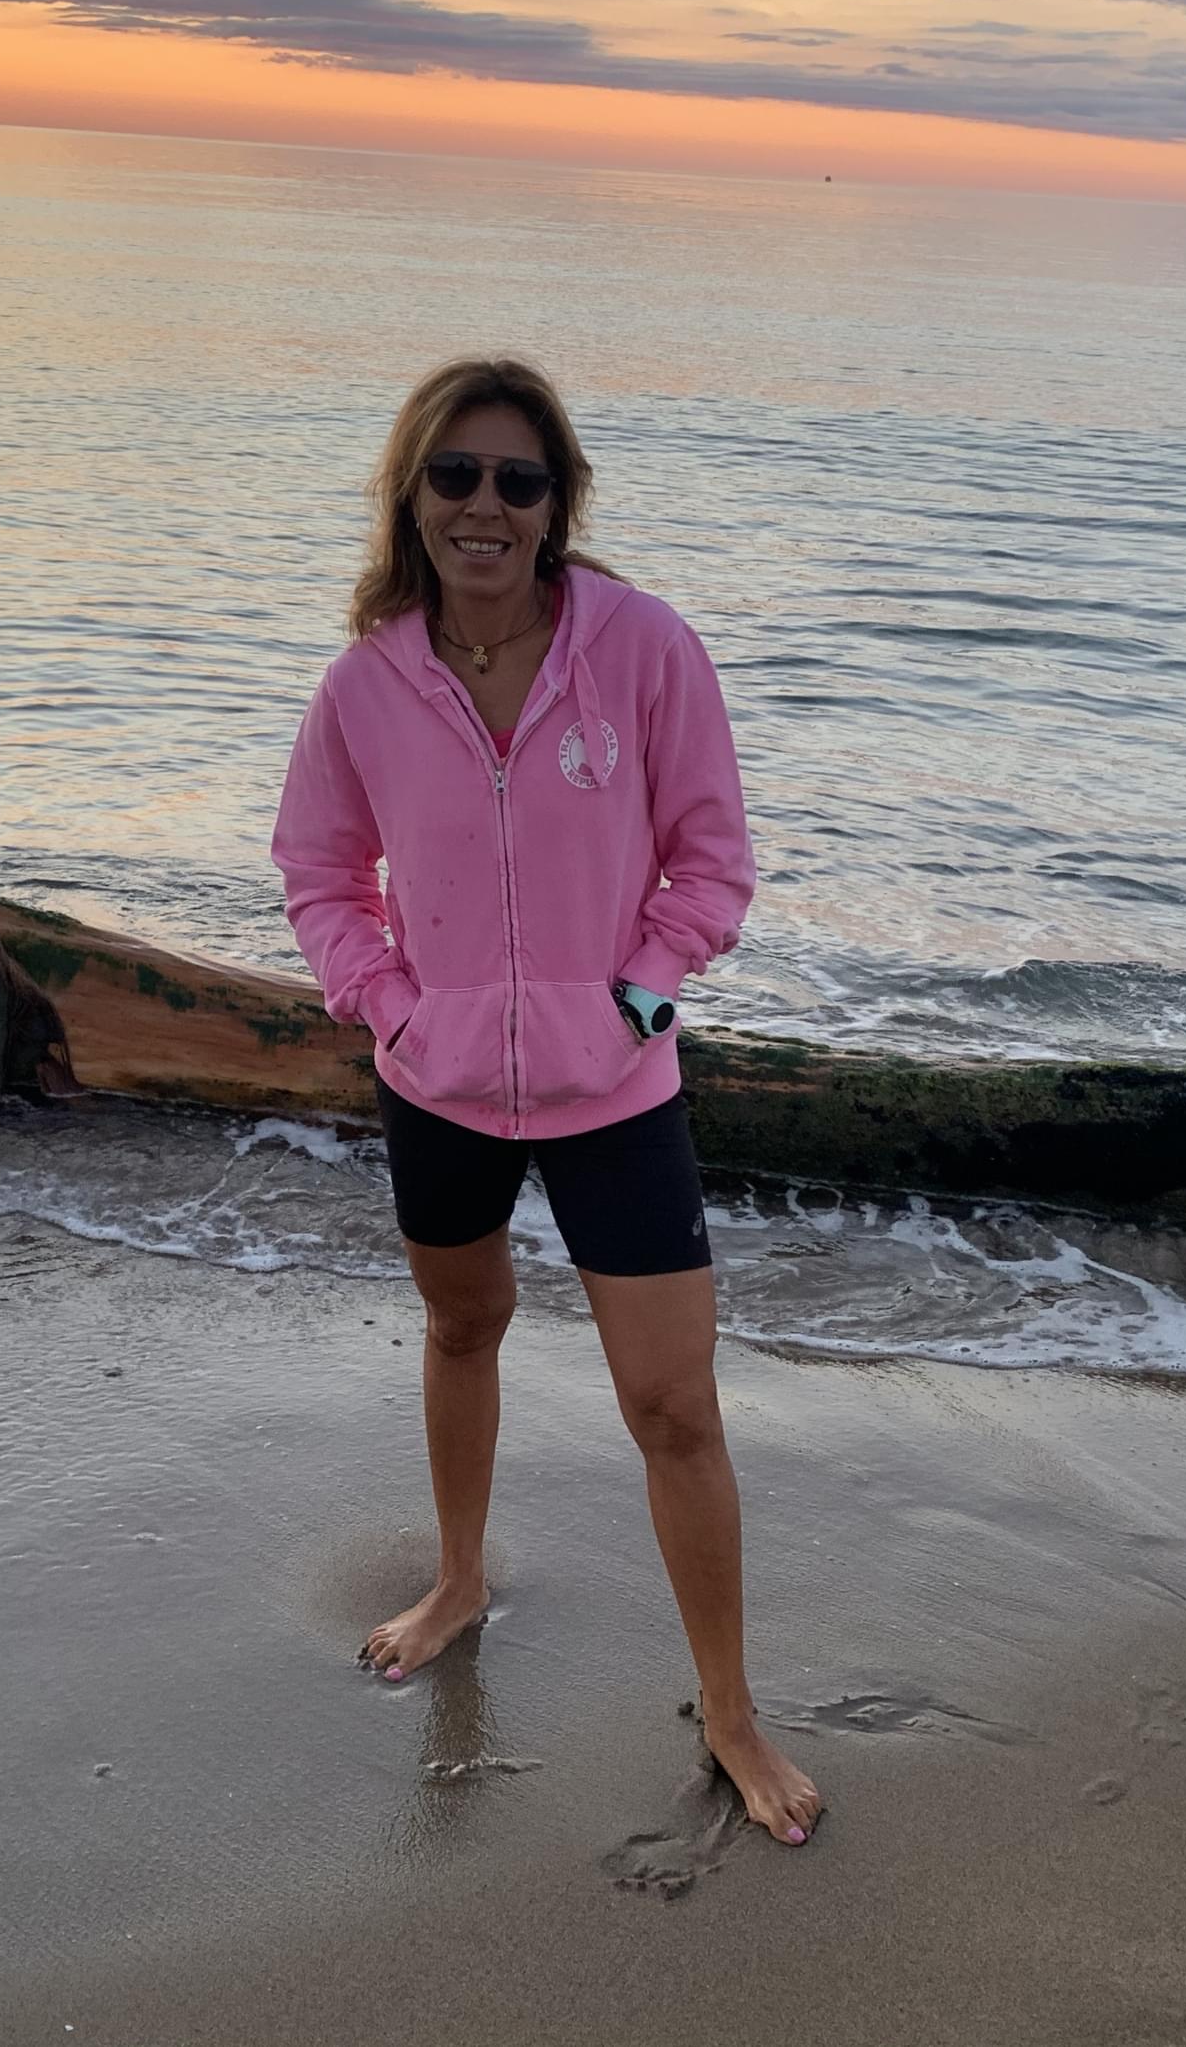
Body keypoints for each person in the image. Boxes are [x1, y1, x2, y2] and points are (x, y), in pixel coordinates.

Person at [271, 356, 822, 1847]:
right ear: (413, 495)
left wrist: (635, 998)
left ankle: (729, 1708)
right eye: (456, 474)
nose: (486, 506)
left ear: (557, 502)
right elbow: (319, 871)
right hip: (437, 1086)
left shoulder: (643, 650)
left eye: (519, 479)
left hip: (616, 1091)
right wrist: (394, 1007)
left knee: (674, 1406)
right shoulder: (367, 683)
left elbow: (712, 857)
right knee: (464, 1326)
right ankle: (458, 1578)